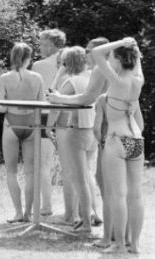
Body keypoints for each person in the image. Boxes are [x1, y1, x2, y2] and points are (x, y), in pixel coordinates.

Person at [48, 37, 109, 244]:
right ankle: (94, 214)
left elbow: (53, 97)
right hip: (95, 130)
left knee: (78, 177)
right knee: (91, 176)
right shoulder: (96, 74)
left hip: (78, 129)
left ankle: (85, 221)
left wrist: (58, 89)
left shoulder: (72, 81)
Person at [90, 38, 144, 254]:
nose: (109, 60)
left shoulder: (116, 80)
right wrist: (134, 47)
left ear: (120, 60)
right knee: (136, 195)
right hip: (136, 140)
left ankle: (120, 243)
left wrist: (121, 42)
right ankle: (135, 244)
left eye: (112, 57)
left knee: (117, 195)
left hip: (116, 139)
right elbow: (136, 60)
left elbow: (96, 53)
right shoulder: (137, 80)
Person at [0, 42, 44, 223]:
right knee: (31, 172)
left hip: (11, 124)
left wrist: (13, 103)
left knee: (11, 171)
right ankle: (29, 213)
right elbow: (43, 106)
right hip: (32, 123)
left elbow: (0, 108)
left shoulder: (5, 78)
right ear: (29, 58)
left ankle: (18, 212)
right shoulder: (37, 77)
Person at [32, 28, 66, 216]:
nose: (40, 47)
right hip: (70, 115)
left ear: (52, 45)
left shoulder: (39, 66)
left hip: (45, 115)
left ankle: (46, 206)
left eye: (43, 44)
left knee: (43, 164)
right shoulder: (74, 62)